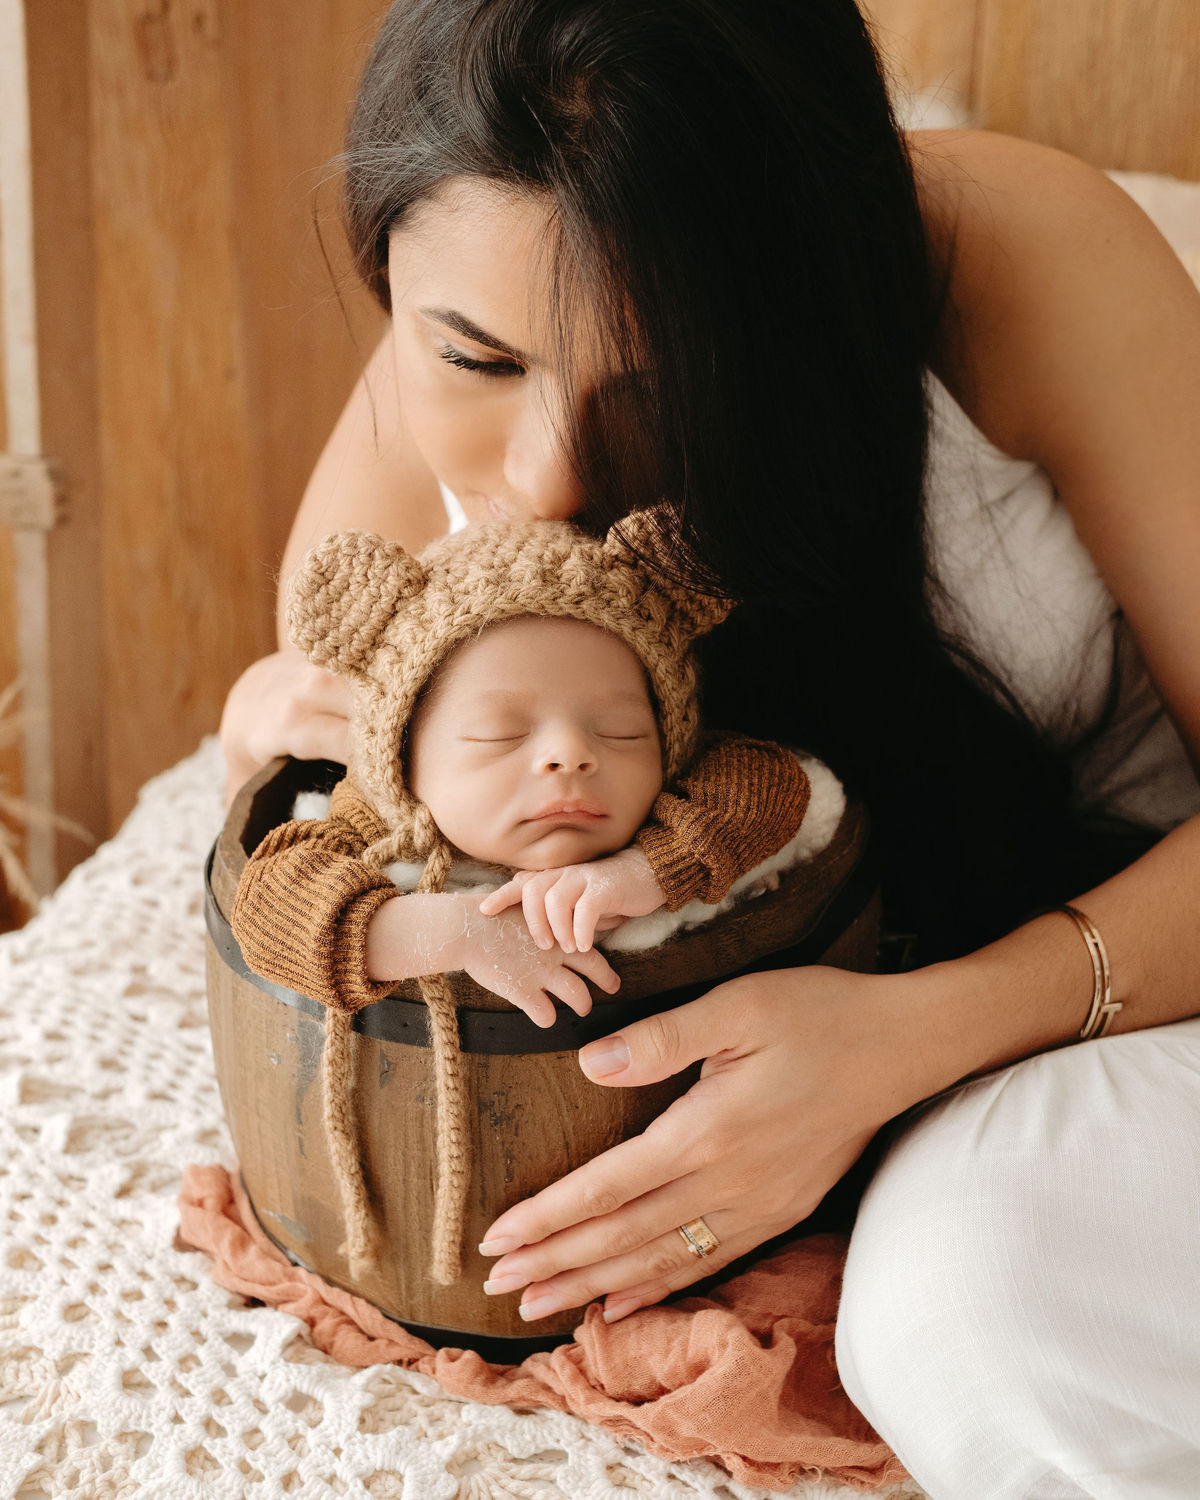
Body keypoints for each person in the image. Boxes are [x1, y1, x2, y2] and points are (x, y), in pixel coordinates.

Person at [218, 1, 1200, 1494]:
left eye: (660, 380)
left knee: (968, 1299)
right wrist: (253, 733)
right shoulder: (457, 293)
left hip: (1130, 921)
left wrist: (914, 1035)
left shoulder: (1014, 257)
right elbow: (312, 799)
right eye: (477, 357)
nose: (545, 475)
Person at [231, 516, 811, 1285]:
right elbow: (268, 904)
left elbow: (770, 785)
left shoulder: (685, 789)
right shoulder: (382, 821)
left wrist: (643, 871)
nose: (570, 754)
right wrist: (448, 932)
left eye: (621, 731)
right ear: (404, 756)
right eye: (502, 735)